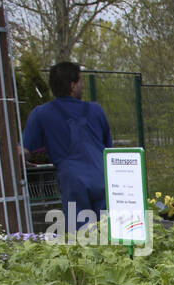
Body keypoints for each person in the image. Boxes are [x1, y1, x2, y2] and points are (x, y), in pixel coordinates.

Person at [21, 61, 112, 230]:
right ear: (72, 85)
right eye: (81, 81)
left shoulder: (41, 114)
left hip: (73, 183)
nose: (82, 85)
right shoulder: (95, 110)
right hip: (103, 179)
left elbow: (23, 150)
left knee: (81, 236)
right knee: (109, 232)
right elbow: (108, 149)